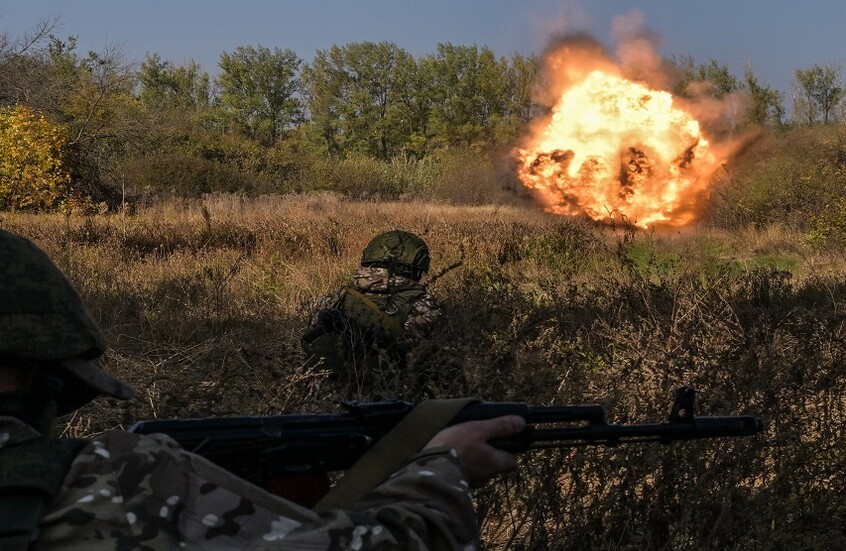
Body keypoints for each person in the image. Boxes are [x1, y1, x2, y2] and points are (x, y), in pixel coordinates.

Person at [0, 228, 524, 549]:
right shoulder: (112, 483)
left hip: (326, 387)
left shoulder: (336, 296)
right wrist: (441, 471)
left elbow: (309, 346)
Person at [303, 230, 440, 389]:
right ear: (415, 268)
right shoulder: (424, 305)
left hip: (325, 395)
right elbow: (420, 358)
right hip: (390, 397)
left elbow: (311, 344)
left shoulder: (334, 299)